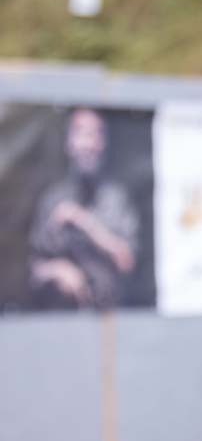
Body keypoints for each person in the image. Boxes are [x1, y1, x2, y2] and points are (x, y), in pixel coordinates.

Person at [28, 107, 139, 309]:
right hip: (61, 317)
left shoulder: (117, 200)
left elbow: (126, 261)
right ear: (69, 142)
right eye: (81, 133)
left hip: (111, 316)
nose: (89, 144)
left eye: (96, 134)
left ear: (104, 143)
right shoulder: (53, 200)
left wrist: (83, 222)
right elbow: (33, 269)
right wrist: (57, 270)